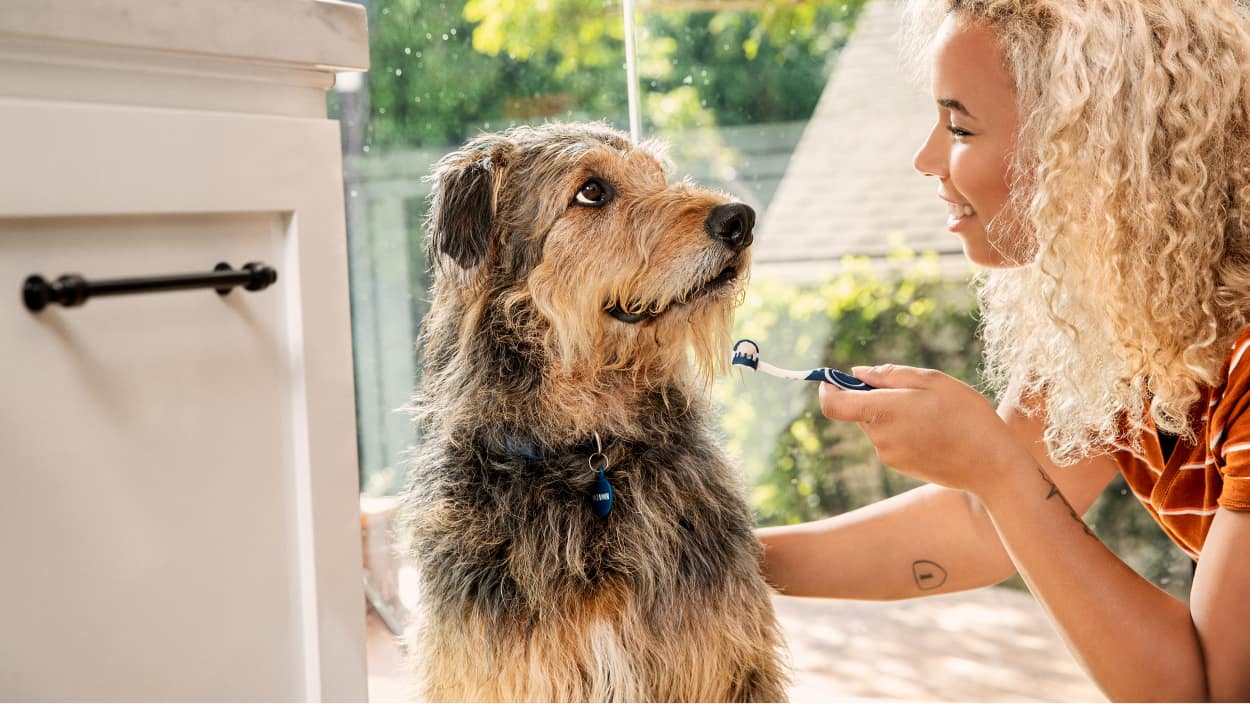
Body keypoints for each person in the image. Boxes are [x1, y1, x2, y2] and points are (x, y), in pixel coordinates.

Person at [756, 1, 1250, 700]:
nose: (926, 158)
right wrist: (716, 559)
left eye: (959, 126)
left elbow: (1210, 692)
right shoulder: (1127, 320)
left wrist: (997, 470)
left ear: (1088, 147)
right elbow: (978, 526)